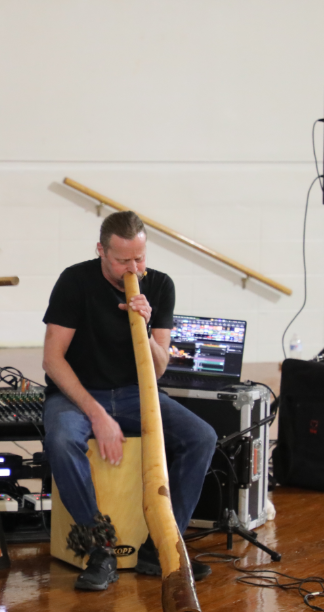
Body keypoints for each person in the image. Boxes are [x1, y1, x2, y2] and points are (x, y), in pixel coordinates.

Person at [41, 210, 217, 592]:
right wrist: (98, 414)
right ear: (101, 251)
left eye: (139, 258)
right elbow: (52, 360)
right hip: (79, 394)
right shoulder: (75, 281)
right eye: (122, 260)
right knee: (60, 437)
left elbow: (157, 370)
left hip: (136, 392)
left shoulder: (160, 285)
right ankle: (99, 548)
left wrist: (148, 327)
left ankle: (162, 546)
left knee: (201, 436)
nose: (132, 267)